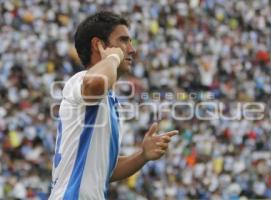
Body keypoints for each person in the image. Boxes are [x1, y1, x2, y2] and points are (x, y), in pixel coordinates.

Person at [48, 11, 178, 200]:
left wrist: (142, 155)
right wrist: (111, 58)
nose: (131, 49)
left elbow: (105, 171)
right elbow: (95, 83)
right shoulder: (80, 80)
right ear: (98, 45)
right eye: (124, 41)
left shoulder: (110, 100)